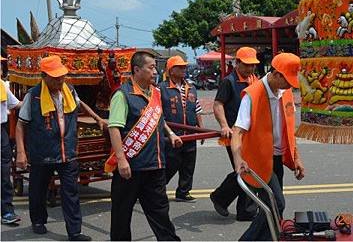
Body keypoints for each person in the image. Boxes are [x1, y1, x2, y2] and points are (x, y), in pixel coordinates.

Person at [15, 55, 107, 241]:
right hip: (43, 152)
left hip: (68, 152)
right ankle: (38, 221)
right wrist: (21, 152)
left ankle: (75, 232)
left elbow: (81, 104)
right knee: (38, 190)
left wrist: (97, 118)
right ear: (44, 76)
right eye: (55, 77)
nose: (60, 80)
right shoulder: (32, 96)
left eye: (62, 76)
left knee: (71, 192)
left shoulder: (69, 91)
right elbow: (20, 125)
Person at [105, 51, 181, 241]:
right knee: (122, 216)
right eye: (151, 67)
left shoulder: (155, 92)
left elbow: (159, 119)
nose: (155, 71)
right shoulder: (122, 95)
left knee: (160, 214)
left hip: (155, 165)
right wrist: (121, 160)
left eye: (155, 67)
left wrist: (170, 134)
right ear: (137, 70)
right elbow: (114, 128)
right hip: (131, 167)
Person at [231, 53, 306, 241]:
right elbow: (237, 132)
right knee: (276, 205)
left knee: (272, 209)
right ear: (276, 73)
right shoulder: (252, 95)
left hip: (277, 159)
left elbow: (289, 128)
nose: (290, 86)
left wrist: (296, 157)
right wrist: (238, 160)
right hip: (258, 160)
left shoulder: (285, 92)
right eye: (287, 80)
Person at [209, 47, 259, 221]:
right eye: (247, 65)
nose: (250, 69)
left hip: (252, 134)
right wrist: (224, 125)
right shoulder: (228, 81)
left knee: (250, 169)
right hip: (235, 134)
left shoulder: (255, 80)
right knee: (245, 168)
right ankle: (227, 200)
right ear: (237, 63)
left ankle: (239, 206)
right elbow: (218, 105)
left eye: (253, 65)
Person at [159, 55, 203, 202]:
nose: (184, 69)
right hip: (171, 134)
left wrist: (201, 131)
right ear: (171, 70)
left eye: (184, 67)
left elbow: (197, 110)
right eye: (180, 67)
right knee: (171, 164)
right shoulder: (161, 89)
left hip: (190, 133)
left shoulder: (191, 88)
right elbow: (158, 113)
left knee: (188, 165)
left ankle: (183, 192)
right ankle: (156, 189)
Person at [1, 55, 22, 225]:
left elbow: (16, 104)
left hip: (1, 132)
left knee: (4, 172)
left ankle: (7, 211)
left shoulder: (1, 86)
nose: (1, 67)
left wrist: (33, 100)